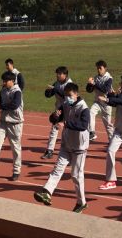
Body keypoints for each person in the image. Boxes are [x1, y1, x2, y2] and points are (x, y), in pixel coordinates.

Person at [34, 82, 91, 212]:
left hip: (79, 147)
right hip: (66, 144)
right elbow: (53, 118)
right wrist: (55, 116)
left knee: (76, 175)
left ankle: (81, 202)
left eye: (70, 95)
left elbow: (83, 125)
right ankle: (47, 192)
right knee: (57, 169)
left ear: (76, 94)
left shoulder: (84, 108)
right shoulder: (65, 104)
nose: (67, 98)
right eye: (66, 95)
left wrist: (65, 123)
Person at [42, 66, 72, 159]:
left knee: (68, 131)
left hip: (68, 110)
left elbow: (67, 97)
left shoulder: (69, 84)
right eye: (57, 74)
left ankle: (71, 153)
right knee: (54, 128)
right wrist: (48, 92)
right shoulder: (57, 83)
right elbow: (51, 92)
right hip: (59, 109)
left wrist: (56, 90)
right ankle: (49, 150)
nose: (57, 75)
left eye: (59, 74)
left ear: (65, 75)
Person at [86, 60, 114, 142]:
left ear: (105, 68)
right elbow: (89, 90)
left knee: (108, 124)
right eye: (97, 68)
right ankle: (92, 133)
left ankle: (112, 140)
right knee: (91, 112)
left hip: (106, 103)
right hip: (97, 102)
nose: (98, 70)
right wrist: (89, 84)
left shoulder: (109, 78)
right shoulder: (96, 78)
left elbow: (105, 90)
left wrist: (94, 84)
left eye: (100, 68)